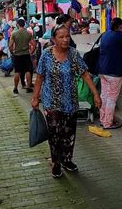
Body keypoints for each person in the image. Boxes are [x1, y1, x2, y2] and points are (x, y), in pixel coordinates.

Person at [31, 24, 101, 178]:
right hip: (51, 101)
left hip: (70, 101)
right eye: (61, 37)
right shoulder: (46, 55)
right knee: (55, 133)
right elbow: (40, 77)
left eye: (67, 36)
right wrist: (35, 97)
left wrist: (95, 94)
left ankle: (67, 159)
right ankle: (56, 162)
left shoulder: (73, 54)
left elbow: (85, 74)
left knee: (69, 132)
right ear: (54, 39)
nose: (65, 39)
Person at [9, 19, 35, 94]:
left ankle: (15, 88)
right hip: (26, 54)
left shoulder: (14, 34)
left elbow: (10, 46)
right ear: (24, 24)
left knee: (17, 71)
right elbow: (34, 44)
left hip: (17, 55)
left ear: (17, 25)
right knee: (27, 71)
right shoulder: (29, 33)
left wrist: (12, 53)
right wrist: (31, 52)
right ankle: (28, 87)